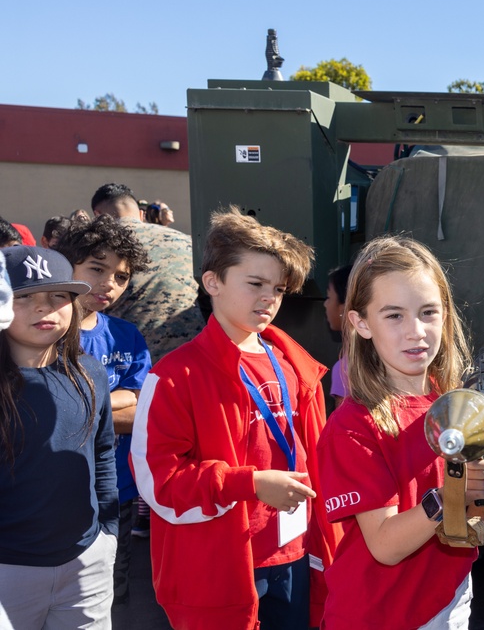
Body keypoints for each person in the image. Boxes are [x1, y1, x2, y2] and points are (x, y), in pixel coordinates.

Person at [130, 207, 338, 630]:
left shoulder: (296, 365)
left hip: (295, 552)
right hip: (220, 566)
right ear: (213, 283)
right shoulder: (174, 376)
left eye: (278, 288)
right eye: (256, 283)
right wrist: (251, 484)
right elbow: (158, 481)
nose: (269, 298)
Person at [316, 235, 484, 629]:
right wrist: (456, 490)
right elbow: (385, 546)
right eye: (394, 315)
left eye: (429, 312)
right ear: (361, 323)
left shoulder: (456, 405)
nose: (416, 331)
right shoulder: (353, 426)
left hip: (449, 602)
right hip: (377, 617)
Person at [0, 245, 118, 629]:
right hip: (9, 572)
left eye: (58, 296)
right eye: (25, 297)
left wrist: (108, 538)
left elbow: (102, 454)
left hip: (86, 565)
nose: (44, 307)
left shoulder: (89, 373)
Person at [58, 215, 152, 605]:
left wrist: (79, 401)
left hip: (117, 489)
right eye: (97, 268)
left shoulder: (126, 335)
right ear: (67, 266)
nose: (109, 284)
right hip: (56, 487)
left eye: (121, 276)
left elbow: (140, 401)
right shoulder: (46, 329)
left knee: (111, 582)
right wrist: (115, 400)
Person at [91, 182, 205, 365]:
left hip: (128, 366)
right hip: (190, 362)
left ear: (98, 216)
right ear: (142, 215)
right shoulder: (187, 242)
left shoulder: (98, 249)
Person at [323, 263, 352, 409]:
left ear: (343, 309)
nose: (325, 304)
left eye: (328, 297)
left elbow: (344, 428)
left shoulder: (345, 368)